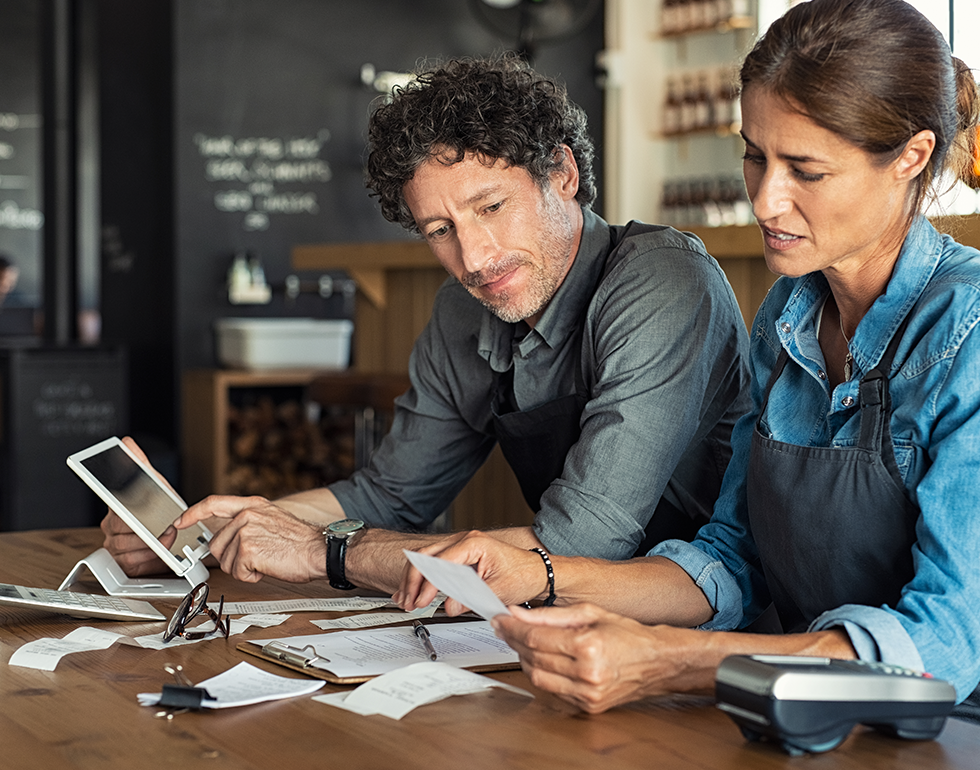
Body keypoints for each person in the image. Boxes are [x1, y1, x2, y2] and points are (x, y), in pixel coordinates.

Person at [395, 0, 980, 750]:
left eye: (805, 169)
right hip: (803, 721)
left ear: (912, 156)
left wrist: (672, 662)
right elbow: (731, 559)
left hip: (974, 739)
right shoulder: (788, 313)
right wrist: (533, 572)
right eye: (755, 155)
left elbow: (946, 642)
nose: (764, 199)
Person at [101, 55, 752, 595]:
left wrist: (325, 553)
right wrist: (203, 532)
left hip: (715, 622)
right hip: (575, 626)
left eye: (491, 207)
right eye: (440, 231)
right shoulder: (462, 310)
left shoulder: (661, 283)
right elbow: (389, 495)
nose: (473, 259)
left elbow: (575, 545)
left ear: (563, 174)